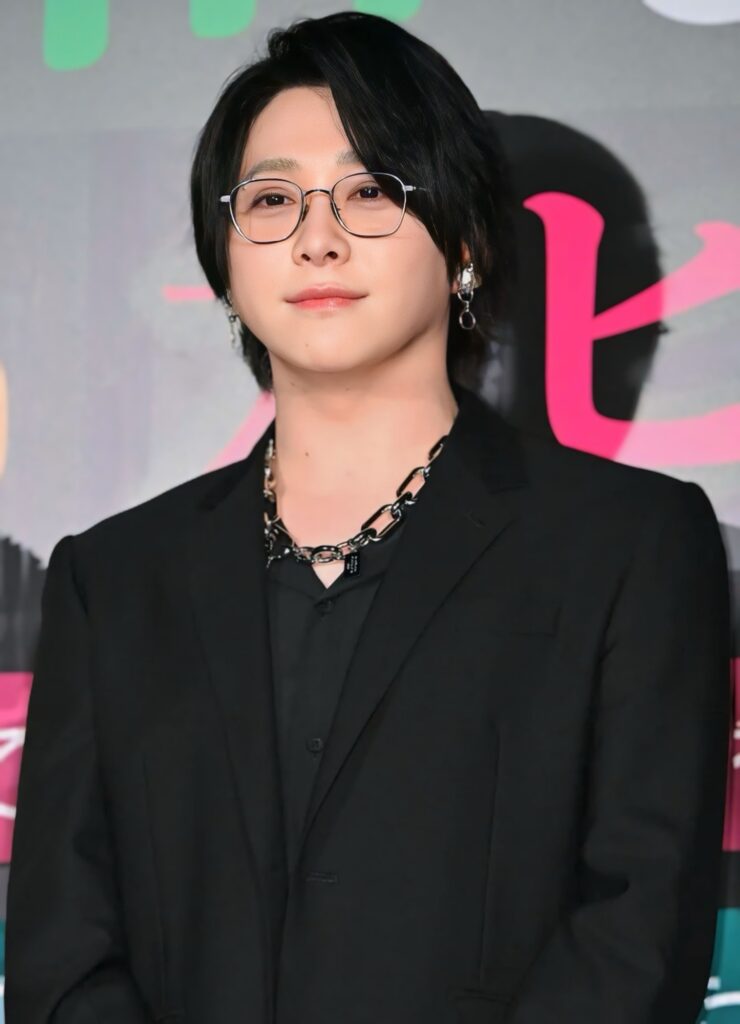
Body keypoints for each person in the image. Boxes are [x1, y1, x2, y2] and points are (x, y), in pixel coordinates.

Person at [5, 11, 732, 1024]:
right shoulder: (115, 580)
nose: (317, 237)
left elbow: (636, 937)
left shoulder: (627, 547)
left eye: (370, 191)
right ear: (226, 264)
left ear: (465, 243)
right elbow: (60, 958)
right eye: (271, 199)